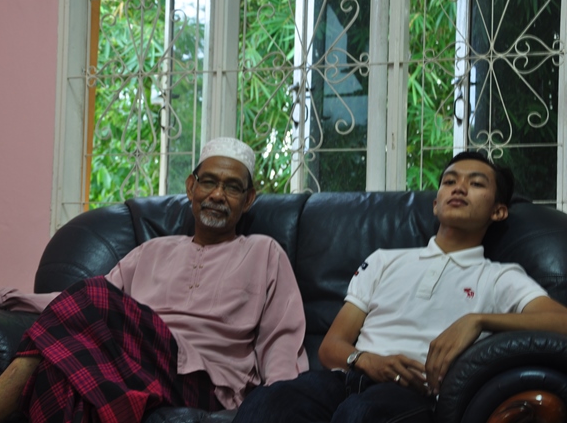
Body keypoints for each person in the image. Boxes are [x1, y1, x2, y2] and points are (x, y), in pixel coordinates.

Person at [0, 137, 309, 423]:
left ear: (249, 199)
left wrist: (278, 403)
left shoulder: (264, 253)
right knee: (60, 373)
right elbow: (71, 306)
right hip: (133, 368)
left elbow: (281, 340)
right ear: (191, 187)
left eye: (232, 187)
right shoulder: (152, 251)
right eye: (209, 182)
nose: (217, 195)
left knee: (91, 303)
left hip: (205, 381)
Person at [232, 151, 567, 423]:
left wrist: (477, 320)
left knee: (363, 414)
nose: (459, 188)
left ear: (498, 211)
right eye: (450, 181)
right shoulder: (384, 260)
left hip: (412, 394)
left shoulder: (499, 276)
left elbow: (561, 322)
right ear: (436, 203)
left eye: (476, 183)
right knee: (269, 402)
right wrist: (366, 360)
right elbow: (331, 347)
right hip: (345, 378)